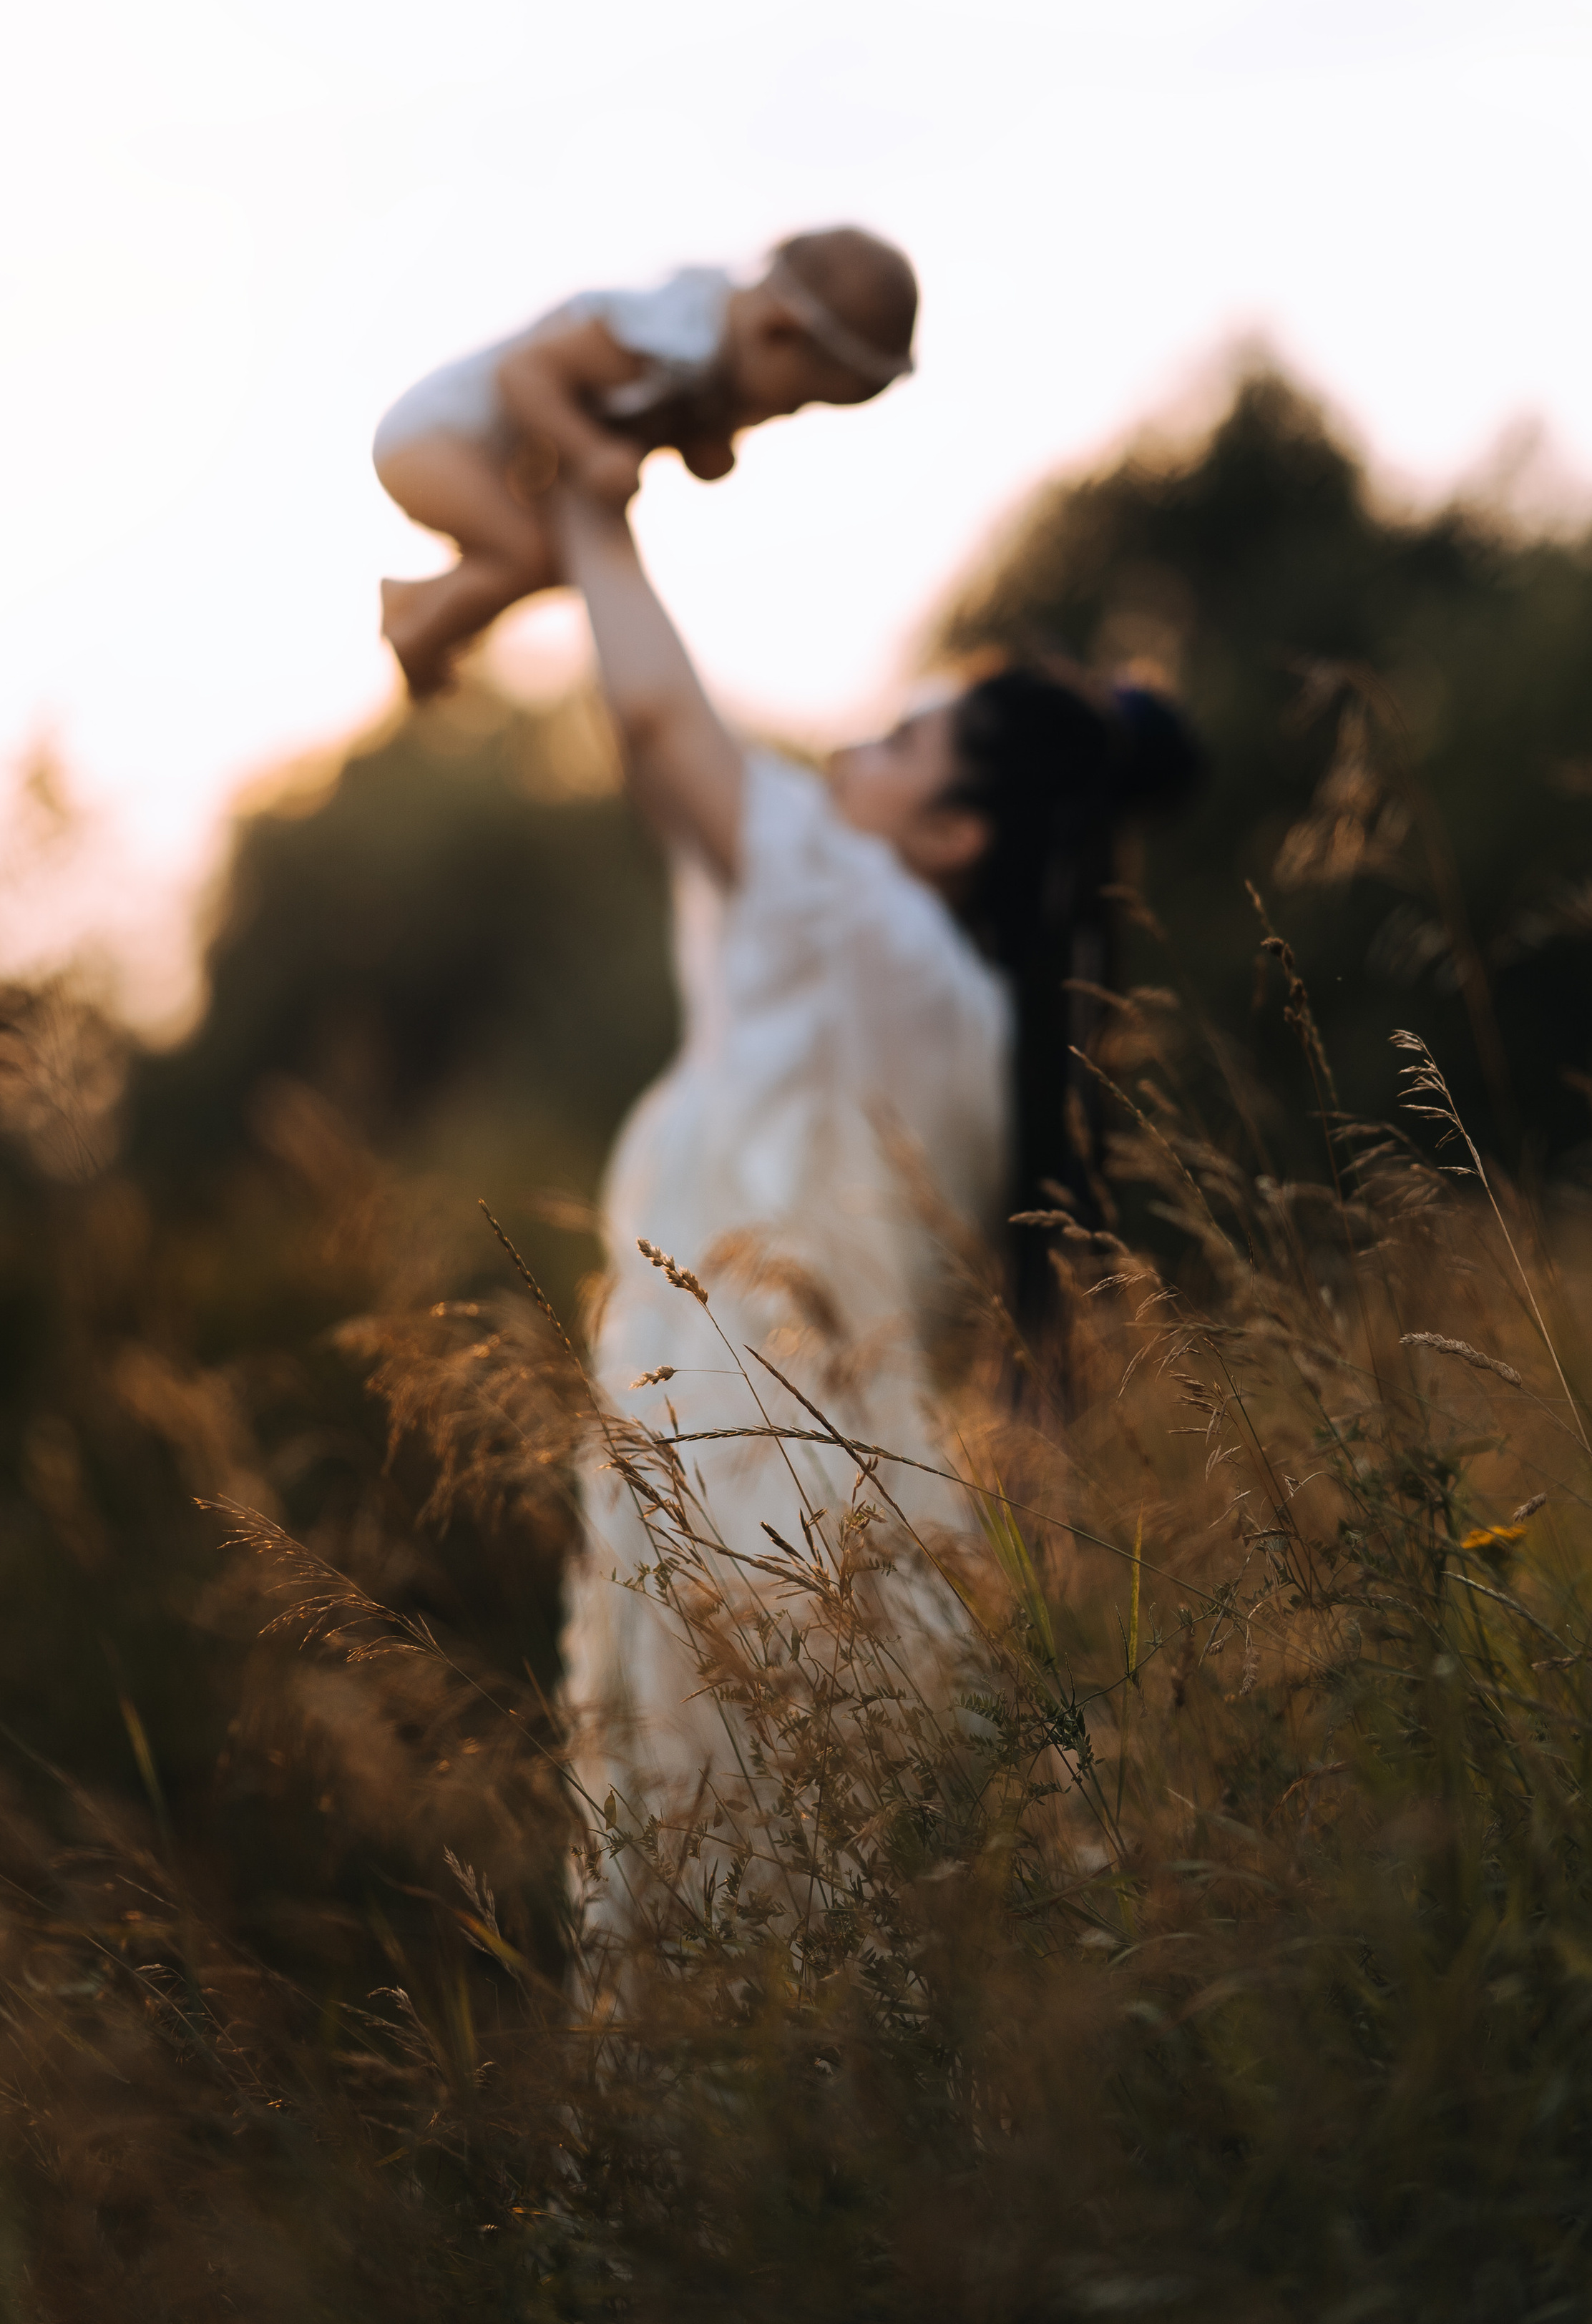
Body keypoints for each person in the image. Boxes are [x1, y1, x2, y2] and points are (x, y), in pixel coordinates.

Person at [545, 465, 1203, 1941]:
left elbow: (662, 731)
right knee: (811, 1965)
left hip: (754, 1520)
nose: (861, 742)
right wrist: (567, 565)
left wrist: (594, 514)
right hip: (826, 1514)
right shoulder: (955, 1000)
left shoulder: (865, 931)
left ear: (958, 831)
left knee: (724, 1940)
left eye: (904, 738)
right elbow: (664, 768)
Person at [372, 227, 918, 697]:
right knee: (530, 556)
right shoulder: (666, 338)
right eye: (792, 404)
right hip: (432, 440)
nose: (776, 417)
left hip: (473, 456)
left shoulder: (709, 355)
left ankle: (417, 600)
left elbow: (696, 448)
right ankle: (417, 632)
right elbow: (522, 374)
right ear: (777, 332)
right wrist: (591, 452)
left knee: (554, 563)